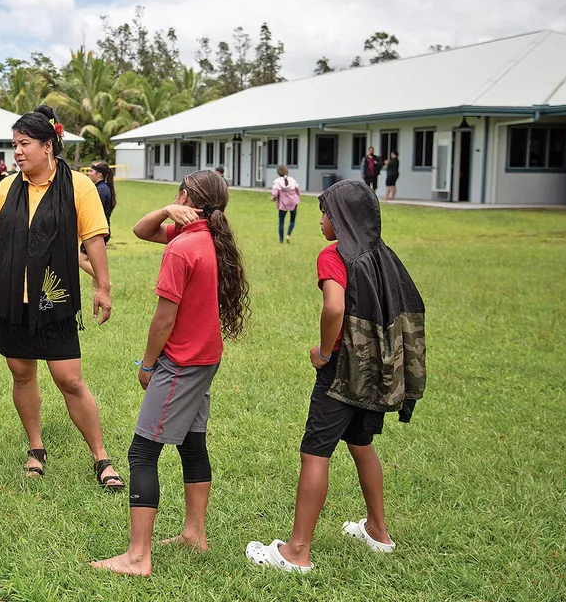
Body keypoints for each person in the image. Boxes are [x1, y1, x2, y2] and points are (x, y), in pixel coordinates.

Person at [246, 179, 426, 573]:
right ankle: (378, 531)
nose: (322, 220)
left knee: (315, 452)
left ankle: (296, 552)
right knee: (361, 443)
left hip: (343, 372)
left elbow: (333, 309)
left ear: (342, 219)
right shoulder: (383, 255)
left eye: (326, 213)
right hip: (378, 370)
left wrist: (324, 352)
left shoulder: (334, 256)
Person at [91, 170, 250, 577]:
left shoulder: (182, 249)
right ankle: (194, 534)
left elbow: (164, 319)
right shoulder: (205, 237)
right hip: (206, 358)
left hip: (181, 362)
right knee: (192, 444)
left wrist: (148, 365)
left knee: (142, 452)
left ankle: (137, 556)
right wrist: (166, 209)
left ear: (186, 196)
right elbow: (140, 230)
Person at [0, 105, 124, 491]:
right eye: (14, 144)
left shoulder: (79, 186)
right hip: (11, 298)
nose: (17, 152)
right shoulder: (6, 187)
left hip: (54, 296)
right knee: (22, 373)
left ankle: (101, 457)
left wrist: (102, 287)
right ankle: (36, 448)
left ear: (48, 146)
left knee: (69, 379)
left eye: (24, 144)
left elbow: (93, 238)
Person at [80, 162, 116, 283]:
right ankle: (98, 292)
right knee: (93, 262)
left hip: (96, 231)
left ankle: (105, 281)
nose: (89, 173)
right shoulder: (105, 188)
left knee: (81, 260)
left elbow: (93, 212)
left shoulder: (100, 190)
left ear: (99, 174)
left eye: (91, 171)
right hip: (103, 229)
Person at [271, 165, 301, 244]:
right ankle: (288, 235)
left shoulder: (277, 182)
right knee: (292, 221)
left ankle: (281, 240)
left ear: (278, 173)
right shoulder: (292, 180)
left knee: (281, 222)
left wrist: (273, 198)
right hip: (293, 203)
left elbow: (275, 193)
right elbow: (298, 190)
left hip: (283, 204)